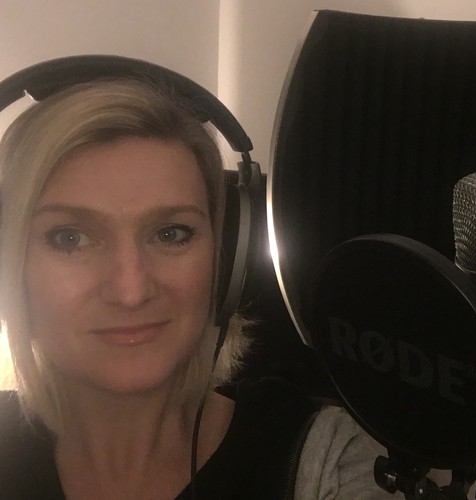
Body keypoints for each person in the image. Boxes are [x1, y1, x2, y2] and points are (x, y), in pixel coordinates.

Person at [0, 77, 398, 499]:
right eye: (70, 238)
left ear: (227, 259)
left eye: (171, 233)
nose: (131, 292)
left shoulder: (328, 461)